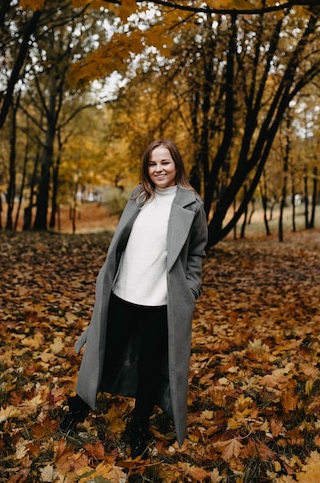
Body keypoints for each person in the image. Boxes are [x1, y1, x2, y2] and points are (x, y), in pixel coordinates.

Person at [59, 139, 208, 458]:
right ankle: (79, 408)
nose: (159, 169)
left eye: (165, 163)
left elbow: (197, 252)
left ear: (176, 164)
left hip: (161, 303)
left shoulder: (191, 204)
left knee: (151, 366)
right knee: (102, 351)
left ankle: (139, 424)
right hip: (122, 294)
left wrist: (190, 290)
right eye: (153, 164)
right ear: (147, 168)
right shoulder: (138, 197)